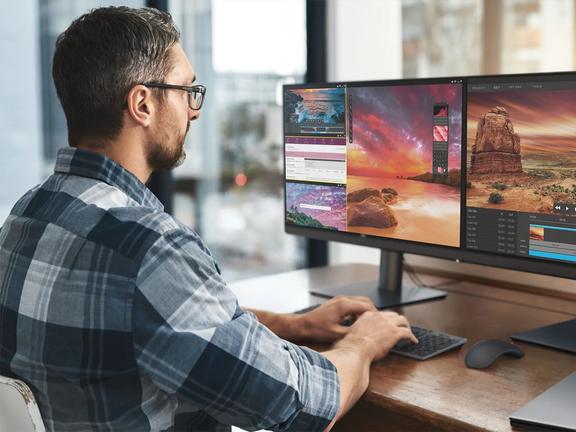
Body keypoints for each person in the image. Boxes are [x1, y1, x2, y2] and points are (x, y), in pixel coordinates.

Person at [0, 6, 416, 432]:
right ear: (142, 103)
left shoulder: (27, 214)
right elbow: (299, 404)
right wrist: (364, 342)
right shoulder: (149, 247)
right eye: (186, 90)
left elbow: (169, 320)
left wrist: (298, 325)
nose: (194, 110)